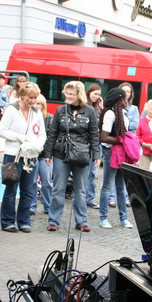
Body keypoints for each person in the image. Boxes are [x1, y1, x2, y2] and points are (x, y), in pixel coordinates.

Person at [44, 81, 100, 233]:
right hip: (60, 153)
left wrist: (96, 155)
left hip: (81, 154)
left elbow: (94, 135)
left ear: (79, 95)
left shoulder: (89, 111)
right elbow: (53, 133)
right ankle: (53, 220)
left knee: (81, 189)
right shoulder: (61, 110)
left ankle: (81, 221)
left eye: (71, 94)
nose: (68, 96)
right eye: (66, 93)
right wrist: (47, 153)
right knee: (58, 188)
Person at [0, 82, 46, 233]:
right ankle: (7, 221)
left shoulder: (36, 112)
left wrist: (39, 145)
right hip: (14, 155)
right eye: (30, 98)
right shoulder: (12, 110)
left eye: (35, 98)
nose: (32, 101)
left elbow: (42, 133)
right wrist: (20, 137)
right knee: (11, 188)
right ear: (22, 96)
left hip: (30, 155)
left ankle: (24, 221)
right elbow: (1, 131)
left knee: (28, 190)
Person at [98, 88, 133, 229]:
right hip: (110, 152)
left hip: (120, 152)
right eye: (124, 98)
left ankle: (123, 218)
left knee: (120, 186)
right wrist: (124, 140)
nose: (126, 100)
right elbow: (104, 137)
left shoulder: (123, 113)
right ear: (120, 99)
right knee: (107, 185)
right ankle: (103, 218)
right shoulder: (110, 114)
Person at [30, 94, 54, 215]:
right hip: (33, 154)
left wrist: (49, 154)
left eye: (39, 103)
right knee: (32, 182)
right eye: (35, 103)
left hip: (45, 155)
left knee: (47, 182)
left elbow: (51, 138)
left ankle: (48, 206)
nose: (37, 106)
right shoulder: (29, 117)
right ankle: (32, 206)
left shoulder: (50, 118)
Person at [85, 83, 103, 209]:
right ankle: (82, 196)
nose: (97, 96)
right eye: (95, 94)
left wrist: (102, 108)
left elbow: (102, 125)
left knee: (93, 172)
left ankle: (90, 198)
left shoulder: (98, 109)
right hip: (85, 143)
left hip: (96, 143)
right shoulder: (84, 107)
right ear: (89, 93)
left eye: (99, 95)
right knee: (84, 172)